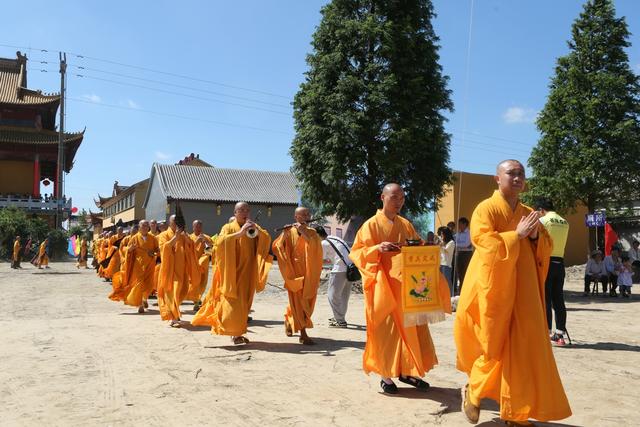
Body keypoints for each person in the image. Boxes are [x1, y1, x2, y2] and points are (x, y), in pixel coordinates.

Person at [454, 160, 571, 425]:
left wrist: (532, 237)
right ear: (497, 178)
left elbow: (546, 245)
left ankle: (516, 412)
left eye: (521, 174)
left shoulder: (529, 212)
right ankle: (474, 390)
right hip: (494, 289)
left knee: (525, 348)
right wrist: (515, 236)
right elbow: (483, 242)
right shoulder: (485, 208)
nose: (517, 178)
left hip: (525, 290)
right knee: (495, 345)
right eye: (511, 173)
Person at [349, 183, 451, 395]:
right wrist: (378, 248)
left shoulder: (406, 224)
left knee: (412, 329)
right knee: (385, 332)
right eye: (394, 197)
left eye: (402, 198)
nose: (399, 202)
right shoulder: (370, 225)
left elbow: (417, 246)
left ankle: (407, 371)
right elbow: (357, 253)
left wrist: (427, 246)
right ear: (383, 197)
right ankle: (386, 376)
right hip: (383, 288)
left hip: (407, 289)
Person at [191, 202, 272, 344]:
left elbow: (265, 240)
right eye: (241, 210)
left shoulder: (254, 227)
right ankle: (235, 334)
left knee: (244, 304)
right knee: (233, 303)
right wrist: (239, 234)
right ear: (235, 213)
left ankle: (238, 332)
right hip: (232, 273)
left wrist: (258, 232)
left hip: (248, 272)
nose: (245, 212)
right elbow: (220, 243)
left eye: (247, 210)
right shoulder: (227, 227)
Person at [272, 207, 323, 344]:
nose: (306, 216)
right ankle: (303, 333)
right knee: (298, 302)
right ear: (296, 217)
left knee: (307, 303)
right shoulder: (289, 232)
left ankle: (289, 319)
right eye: (302, 215)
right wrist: (283, 234)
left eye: (308, 214)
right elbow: (277, 247)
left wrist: (303, 232)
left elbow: (316, 249)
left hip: (309, 273)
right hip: (294, 273)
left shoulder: (312, 232)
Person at [535, 198, 570, 346]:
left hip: (547, 261)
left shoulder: (543, 221)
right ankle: (560, 334)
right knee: (558, 299)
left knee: (546, 298)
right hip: (560, 262)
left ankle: (547, 331)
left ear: (541, 210)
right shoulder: (565, 222)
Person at [157, 214, 200, 327]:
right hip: (169, 270)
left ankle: (175, 313)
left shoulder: (183, 235)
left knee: (181, 293)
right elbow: (164, 249)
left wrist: (184, 236)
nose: (176, 223)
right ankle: (173, 318)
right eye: (174, 221)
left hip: (182, 270)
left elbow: (192, 247)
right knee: (172, 293)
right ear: (169, 222)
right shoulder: (163, 235)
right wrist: (175, 237)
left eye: (178, 221)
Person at [110, 220, 160, 313]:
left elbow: (158, 250)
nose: (145, 227)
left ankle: (145, 298)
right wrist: (130, 249)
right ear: (139, 228)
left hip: (150, 264)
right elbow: (125, 249)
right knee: (139, 284)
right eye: (143, 226)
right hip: (138, 266)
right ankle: (140, 303)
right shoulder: (134, 238)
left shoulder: (153, 238)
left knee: (149, 285)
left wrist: (154, 253)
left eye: (146, 225)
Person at [315, 226, 353, 328]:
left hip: (339, 270)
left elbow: (320, 260)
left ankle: (340, 321)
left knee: (332, 296)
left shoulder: (323, 243)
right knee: (344, 296)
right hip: (350, 269)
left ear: (317, 235)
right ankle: (340, 317)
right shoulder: (336, 238)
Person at [187, 219, 214, 312]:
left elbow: (210, 252)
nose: (198, 228)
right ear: (193, 227)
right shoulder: (189, 237)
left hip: (204, 264)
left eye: (199, 226)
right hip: (193, 264)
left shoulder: (206, 237)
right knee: (195, 283)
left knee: (203, 283)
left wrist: (207, 242)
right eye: (196, 226)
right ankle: (196, 301)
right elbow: (188, 250)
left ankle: (198, 299)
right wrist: (197, 241)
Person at [454, 217, 472, 294]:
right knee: (459, 273)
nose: (459, 226)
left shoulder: (469, 233)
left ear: (465, 224)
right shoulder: (457, 234)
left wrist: (458, 245)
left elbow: (467, 244)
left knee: (466, 272)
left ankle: (467, 290)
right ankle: (461, 290)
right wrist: (460, 246)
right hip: (459, 254)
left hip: (466, 254)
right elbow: (455, 244)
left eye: (460, 224)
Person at [437, 226, 455, 295]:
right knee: (441, 281)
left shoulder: (451, 242)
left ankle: (450, 295)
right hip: (440, 263)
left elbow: (447, 251)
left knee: (447, 281)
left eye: (442, 234)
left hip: (446, 264)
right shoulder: (442, 242)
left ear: (446, 234)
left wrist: (441, 246)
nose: (441, 235)